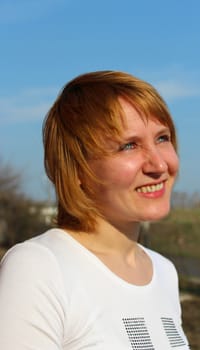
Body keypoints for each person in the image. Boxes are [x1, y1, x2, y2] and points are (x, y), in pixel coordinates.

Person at [0, 71, 190, 349]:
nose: (159, 165)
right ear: (77, 168)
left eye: (162, 138)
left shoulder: (164, 272)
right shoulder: (40, 268)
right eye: (129, 146)